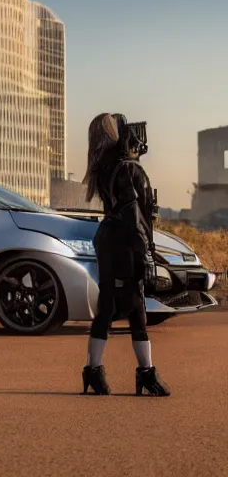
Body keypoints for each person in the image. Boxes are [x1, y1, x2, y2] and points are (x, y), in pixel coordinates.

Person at [79, 112, 170, 396]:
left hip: (109, 241)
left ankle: (95, 371)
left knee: (111, 306)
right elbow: (134, 215)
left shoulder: (104, 167)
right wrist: (146, 254)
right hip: (125, 244)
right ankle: (144, 374)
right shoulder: (128, 169)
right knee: (134, 306)